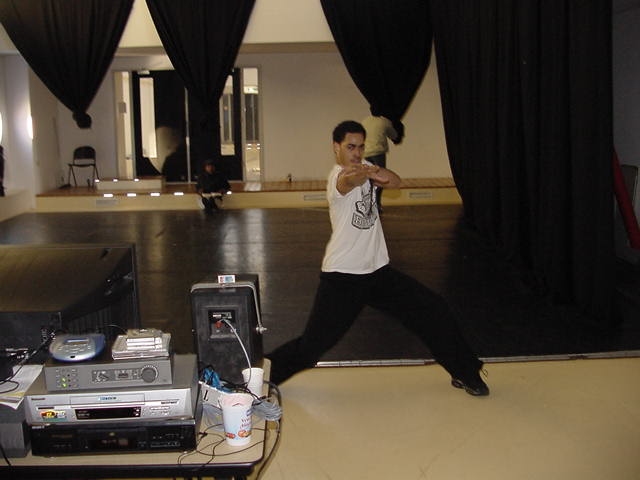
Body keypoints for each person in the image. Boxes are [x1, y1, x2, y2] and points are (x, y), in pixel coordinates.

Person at [267, 120, 489, 396]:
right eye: (350, 147)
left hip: (378, 273)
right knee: (312, 347)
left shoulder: (366, 168)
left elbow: (395, 181)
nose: (356, 152)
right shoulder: (337, 178)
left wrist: (374, 170)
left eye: (361, 147)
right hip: (344, 277)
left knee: (433, 309)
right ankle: (258, 378)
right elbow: (350, 181)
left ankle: (466, 372)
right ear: (336, 147)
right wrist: (366, 172)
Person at [361, 109, 404, 212]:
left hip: (366, 153)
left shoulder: (364, 122)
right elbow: (394, 135)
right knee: (380, 179)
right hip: (378, 153)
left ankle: (367, 205)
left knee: (369, 179)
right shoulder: (384, 122)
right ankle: (377, 204)